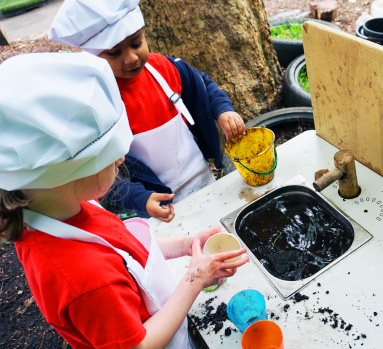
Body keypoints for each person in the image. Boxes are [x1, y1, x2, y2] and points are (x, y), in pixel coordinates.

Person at [0, 52, 249, 348]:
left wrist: (187, 244)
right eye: (108, 155)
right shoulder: (86, 280)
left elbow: (127, 249)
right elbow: (139, 344)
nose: (121, 158)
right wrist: (195, 279)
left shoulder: (62, 206)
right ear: (59, 177)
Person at [48, 0, 247, 222]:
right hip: (155, 204)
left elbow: (203, 85)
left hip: (203, 176)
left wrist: (223, 110)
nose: (131, 58)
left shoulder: (164, 67)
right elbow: (99, 173)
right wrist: (139, 198)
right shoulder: (96, 105)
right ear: (93, 59)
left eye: (136, 43)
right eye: (114, 52)